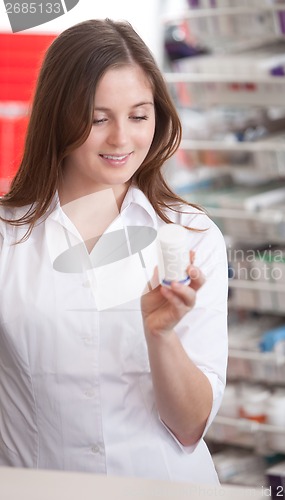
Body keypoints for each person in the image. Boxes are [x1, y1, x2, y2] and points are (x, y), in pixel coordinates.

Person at [0, 19, 228, 484]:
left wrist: (161, 337)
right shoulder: (8, 236)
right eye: (99, 118)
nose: (122, 139)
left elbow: (189, 428)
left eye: (139, 116)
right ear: (58, 116)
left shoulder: (192, 235)